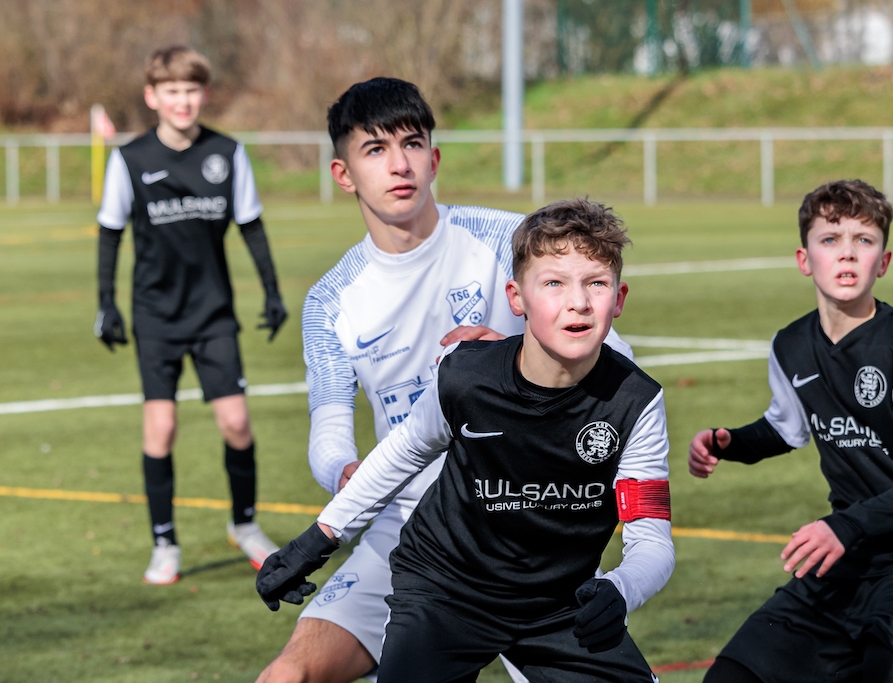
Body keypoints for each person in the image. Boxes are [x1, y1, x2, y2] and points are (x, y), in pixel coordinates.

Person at [257, 77, 633, 683]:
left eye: (412, 144)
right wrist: (346, 474)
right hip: (407, 528)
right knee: (287, 676)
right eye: (375, 149)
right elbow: (328, 428)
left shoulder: (509, 241)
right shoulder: (331, 300)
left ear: (433, 159)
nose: (399, 164)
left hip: (523, 527)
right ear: (343, 174)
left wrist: (510, 353)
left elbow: (614, 352)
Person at [688, 180, 893, 683]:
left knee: (889, 673)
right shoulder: (791, 345)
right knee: (732, 676)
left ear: (883, 262)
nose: (847, 253)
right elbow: (786, 428)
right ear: (804, 259)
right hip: (846, 558)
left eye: (864, 240)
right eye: (830, 239)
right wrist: (732, 442)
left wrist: (848, 525)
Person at [95, 45, 287, 585]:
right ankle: (165, 543)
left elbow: (251, 225)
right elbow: (110, 233)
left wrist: (272, 292)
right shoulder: (129, 159)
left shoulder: (227, 153)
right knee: (161, 428)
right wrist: (106, 303)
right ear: (152, 96)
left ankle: (244, 525)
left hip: (213, 312)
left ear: (204, 94)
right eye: (172, 91)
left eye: (191, 90)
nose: (183, 101)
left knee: (237, 422)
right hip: (155, 315)